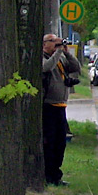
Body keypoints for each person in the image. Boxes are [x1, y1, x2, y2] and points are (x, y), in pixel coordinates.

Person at [41, 33, 80, 185]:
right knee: (49, 142)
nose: (56, 45)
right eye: (53, 42)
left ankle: (57, 175)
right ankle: (49, 175)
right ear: (45, 44)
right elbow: (46, 68)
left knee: (60, 142)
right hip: (48, 105)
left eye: (57, 42)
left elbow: (75, 67)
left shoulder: (61, 57)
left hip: (61, 106)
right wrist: (57, 52)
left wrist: (66, 52)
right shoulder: (43, 57)